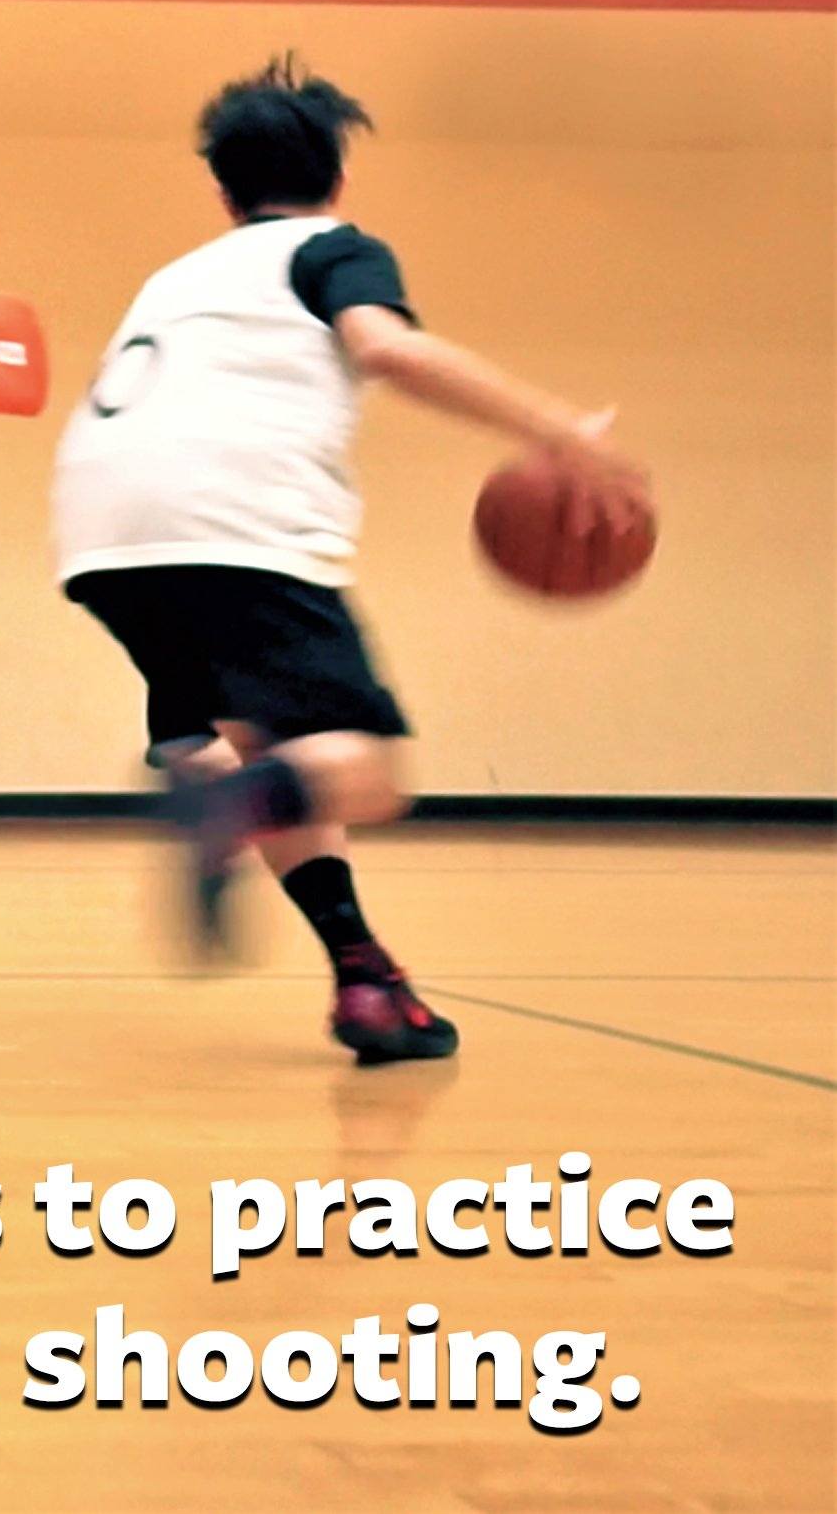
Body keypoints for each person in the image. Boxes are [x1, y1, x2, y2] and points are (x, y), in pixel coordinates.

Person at [51, 57, 648, 1062]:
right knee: (367, 774)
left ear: (220, 189)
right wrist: (558, 431)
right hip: (226, 524)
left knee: (271, 748)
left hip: (104, 536)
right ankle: (235, 806)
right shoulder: (335, 248)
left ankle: (366, 980)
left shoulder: (178, 278)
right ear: (337, 177)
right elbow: (389, 350)